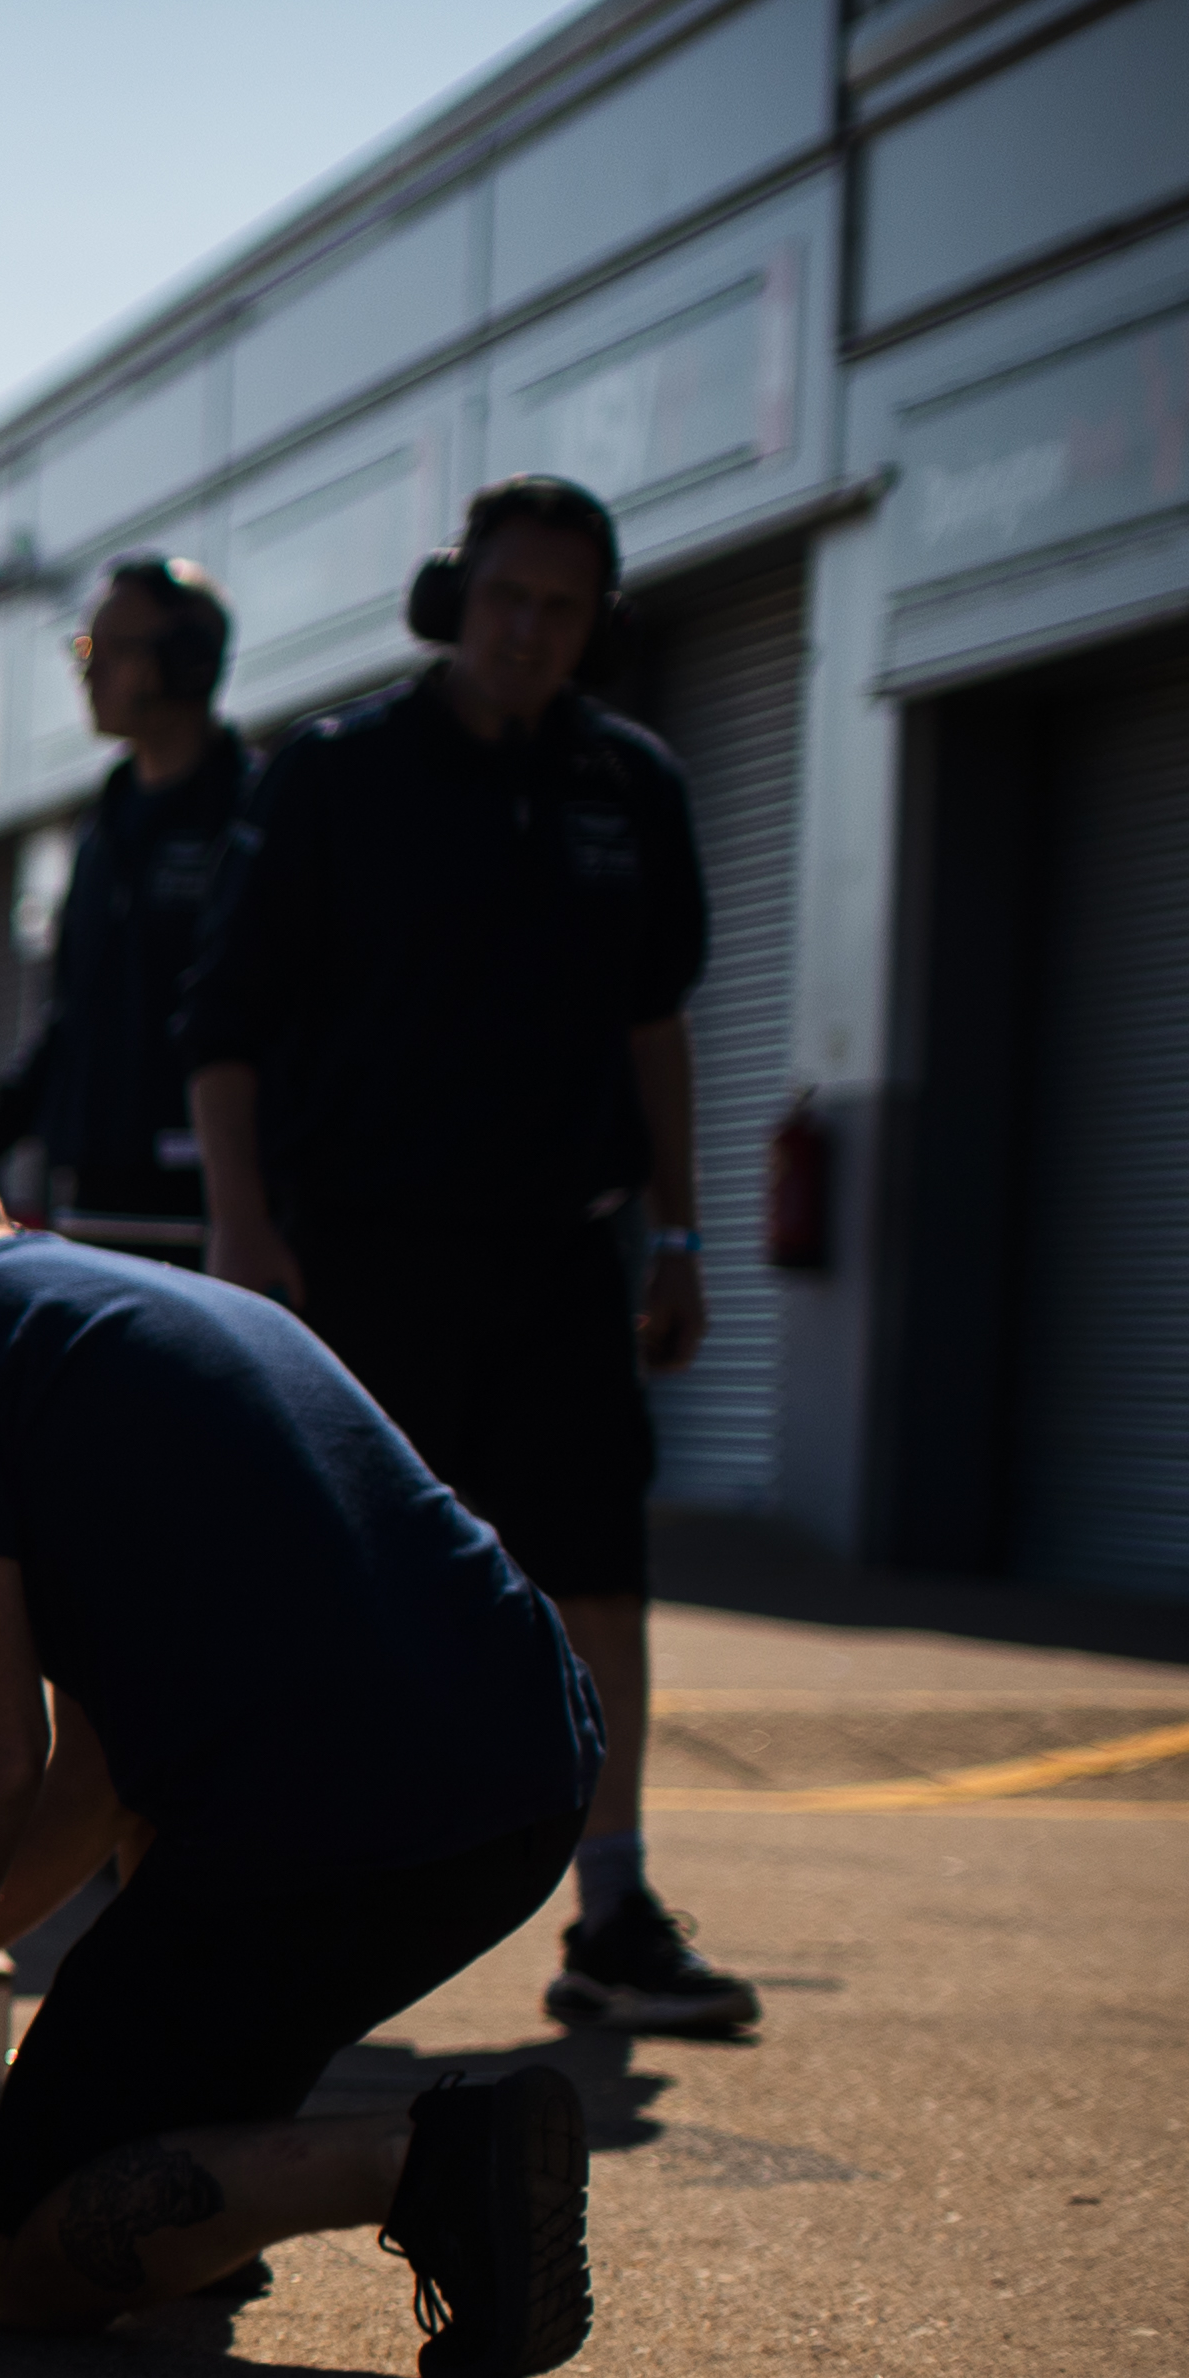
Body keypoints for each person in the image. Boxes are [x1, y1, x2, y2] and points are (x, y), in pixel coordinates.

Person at [0, 1130, 600, 2378]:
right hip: (525, 1777)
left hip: (332, 1827)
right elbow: (92, 1779)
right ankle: (215, 2199)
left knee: (13, 2254)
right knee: (163, 1877)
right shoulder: (152, 1303)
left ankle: (429, 2161)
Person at [179, 473, 753, 2039]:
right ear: (452, 599)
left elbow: (655, 1023)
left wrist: (681, 1231)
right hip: (362, 1258)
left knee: (597, 1585)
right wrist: (240, 1225)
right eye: (504, 597)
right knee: (344, 1587)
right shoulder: (334, 778)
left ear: (596, 627)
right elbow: (222, 1027)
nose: (526, 630)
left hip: (563, 1260)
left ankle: (613, 1911)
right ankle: (300, 1904)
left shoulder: (625, 786)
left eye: (560, 608)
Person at [0, 555, 241, 1252]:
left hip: (201, 1207)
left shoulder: (253, 817)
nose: (85, 670)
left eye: (110, 649)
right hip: (86, 1193)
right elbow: (72, 1013)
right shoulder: (100, 828)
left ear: (188, 662)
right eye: (82, 646)